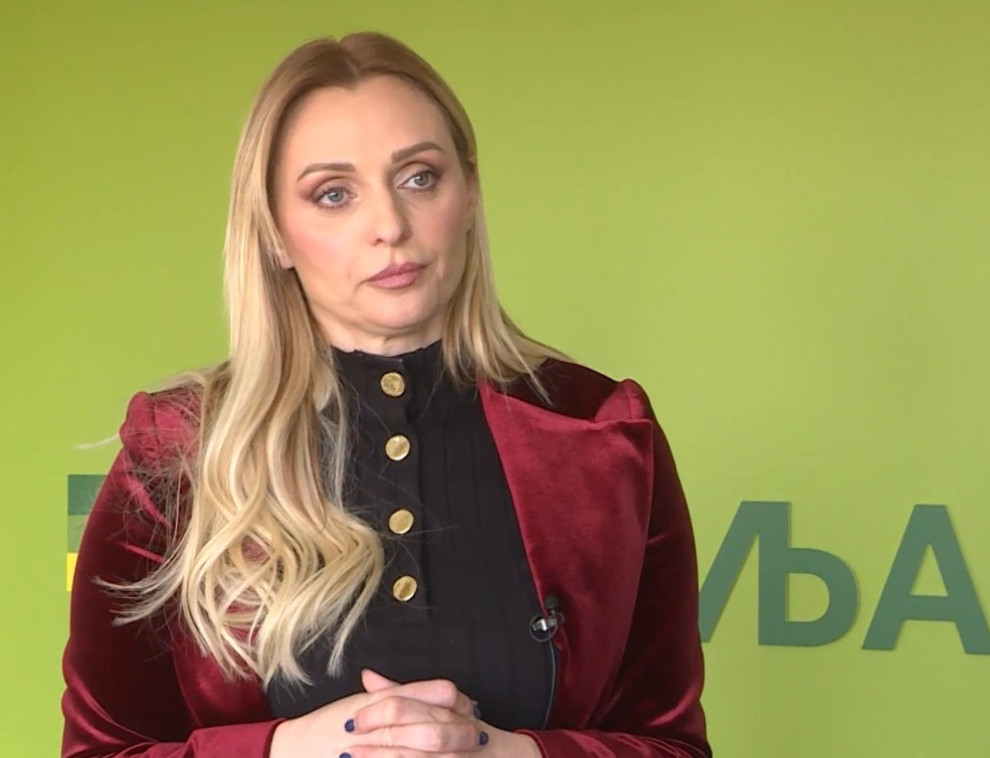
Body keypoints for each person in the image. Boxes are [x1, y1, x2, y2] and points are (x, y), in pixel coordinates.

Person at [60, 31, 712, 758]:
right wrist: (286, 749)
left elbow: (672, 746)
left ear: (469, 191)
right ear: (274, 233)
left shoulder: (605, 434)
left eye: (419, 178)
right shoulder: (176, 453)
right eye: (333, 194)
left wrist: (504, 753)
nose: (390, 227)